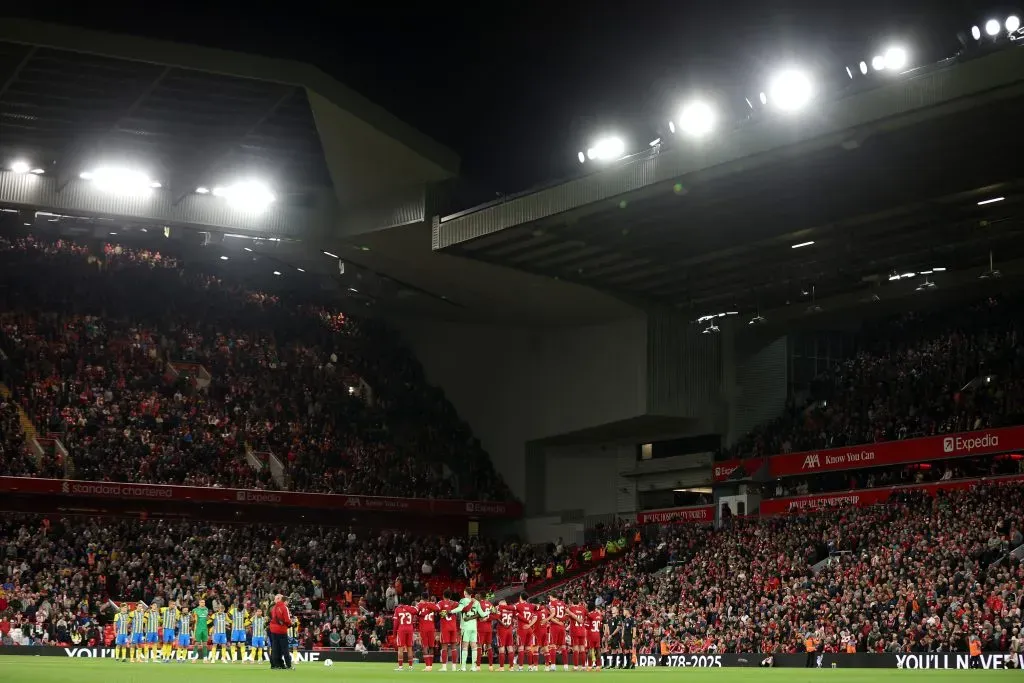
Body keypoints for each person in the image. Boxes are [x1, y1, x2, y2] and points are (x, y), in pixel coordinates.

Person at [452, 589, 489, 671]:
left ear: (465, 593)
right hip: (474, 627)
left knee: (465, 646)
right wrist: (489, 612)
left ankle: (463, 667)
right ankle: (473, 667)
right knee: (474, 646)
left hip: (466, 626)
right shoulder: (476, 602)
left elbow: (460, 608)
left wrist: (450, 611)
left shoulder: (463, 600)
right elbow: (482, 614)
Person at [393, 595, 418, 670]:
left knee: (400, 648)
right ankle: (410, 666)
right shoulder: (411, 608)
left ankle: (400, 667)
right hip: (410, 629)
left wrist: (394, 633)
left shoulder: (398, 609)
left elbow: (395, 623)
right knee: (410, 648)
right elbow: (416, 612)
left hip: (402, 629)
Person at [437, 590, 460, 671]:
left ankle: (444, 667)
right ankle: (454, 667)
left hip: (445, 628)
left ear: (443, 595)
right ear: (450, 596)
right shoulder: (455, 603)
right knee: (454, 647)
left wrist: (443, 612)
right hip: (453, 627)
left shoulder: (440, 603)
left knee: (444, 647)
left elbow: (438, 611)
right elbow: (462, 607)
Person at [515, 592, 538, 672]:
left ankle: (520, 667)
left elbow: (512, 610)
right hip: (529, 629)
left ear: (520, 597)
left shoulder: (518, 605)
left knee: (521, 648)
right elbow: (535, 618)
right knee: (528, 648)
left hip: (522, 629)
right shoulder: (531, 606)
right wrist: (529, 625)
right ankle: (530, 666)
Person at [416, 592, 439, 671]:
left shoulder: (419, 605)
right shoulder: (431, 605)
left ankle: (427, 666)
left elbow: (416, 613)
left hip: (423, 628)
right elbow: (438, 609)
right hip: (431, 628)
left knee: (425, 646)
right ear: (428, 598)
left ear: (421, 597)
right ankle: (431, 666)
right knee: (431, 646)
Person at [269, 594, 292, 670]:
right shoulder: (284, 607)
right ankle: (288, 665)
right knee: (285, 648)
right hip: (281, 630)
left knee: (275, 648)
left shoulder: (274, 607)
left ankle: (276, 665)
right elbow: (287, 620)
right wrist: (291, 625)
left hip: (273, 630)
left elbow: (273, 617)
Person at [546, 594, 569, 672]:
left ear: (552, 596)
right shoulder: (563, 603)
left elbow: (551, 617)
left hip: (554, 626)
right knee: (563, 646)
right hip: (562, 627)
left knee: (553, 646)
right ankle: (566, 666)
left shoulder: (551, 603)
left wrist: (557, 621)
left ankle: (553, 666)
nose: (549, 598)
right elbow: (567, 614)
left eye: (550, 597)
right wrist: (561, 620)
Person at [495, 599, 516, 671]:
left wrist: (504, 624)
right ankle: (511, 667)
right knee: (510, 648)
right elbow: (513, 618)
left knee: (501, 648)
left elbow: (496, 617)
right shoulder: (510, 609)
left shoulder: (499, 608)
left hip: (502, 630)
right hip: (509, 630)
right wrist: (509, 625)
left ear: (500, 604)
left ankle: (501, 667)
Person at [476, 595, 496, 671]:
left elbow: (475, 615)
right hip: (489, 628)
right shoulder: (490, 604)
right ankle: (491, 666)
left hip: (480, 627)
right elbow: (496, 615)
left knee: (479, 646)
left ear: (480, 597)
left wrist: (482, 619)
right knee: (489, 646)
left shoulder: (478, 604)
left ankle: (478, 666)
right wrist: (488, 618)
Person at [585, 604, 603, 670]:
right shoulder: (599, 616)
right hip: (597, 634)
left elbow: (587, 626)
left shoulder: (589, 615)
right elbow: (600, 626)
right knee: (598, 649)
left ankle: (590, 666)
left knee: (590, 649)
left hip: (591, 634)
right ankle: (598, 666)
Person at [193, 599, 210, 663]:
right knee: (197, 643)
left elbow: (207, 618)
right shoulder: (195, 610)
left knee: (205, 643)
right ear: (199, 603)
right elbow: (193, 619)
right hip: (198, 628)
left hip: (205, 628)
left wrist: (208, 618)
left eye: (204, 602)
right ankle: (194, 658)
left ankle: (205, 658)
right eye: (202, 602)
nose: (203, 603)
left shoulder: (206, 609)